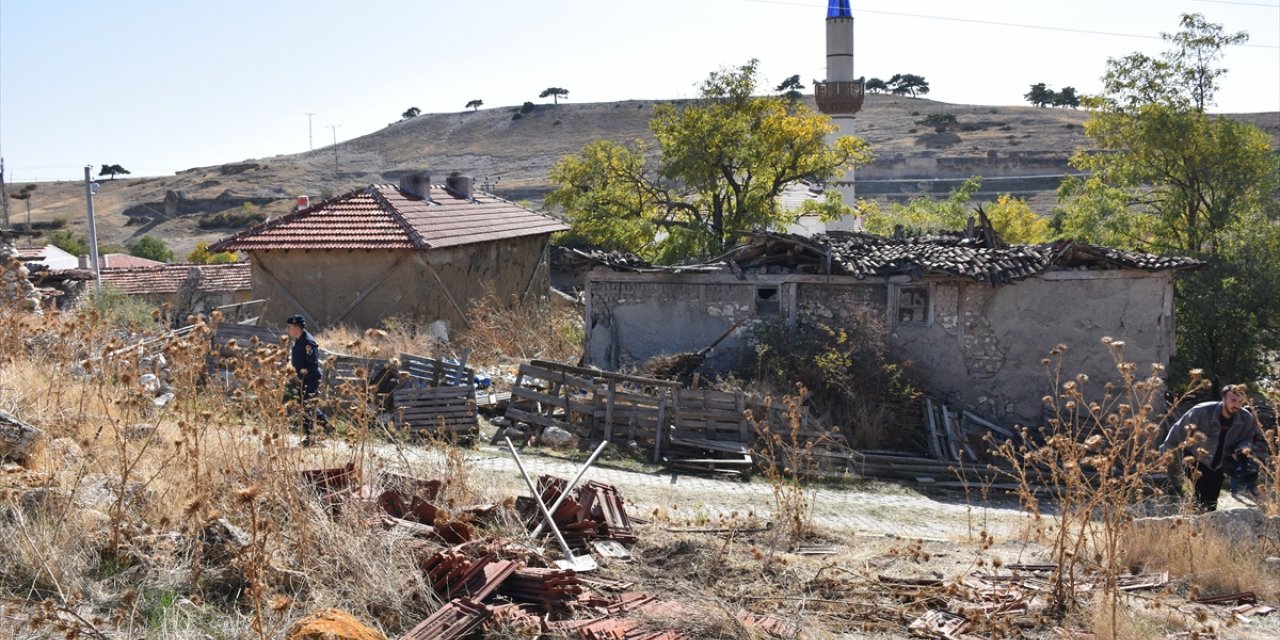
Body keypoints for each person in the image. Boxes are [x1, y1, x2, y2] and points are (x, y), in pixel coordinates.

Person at [1159, 384, 1260, 512]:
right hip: (1196, 458)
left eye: (1240, 401)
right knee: (1201, 494)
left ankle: (1205, 525)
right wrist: (1166, 456)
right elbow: (1177, 432)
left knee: (1212, 501)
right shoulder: (1201, 412)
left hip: (1221, 463)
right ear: (1223, 399)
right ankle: (1194, 522)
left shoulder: (1245, 418)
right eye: (1233, 400)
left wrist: (1241, 448)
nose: (1237, 405)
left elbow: (1247, 437)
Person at [286, 315, 325, 446]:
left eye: (290, 327)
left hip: (310, 379)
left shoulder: (308, 342)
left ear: (297, 328)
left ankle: (318, 433)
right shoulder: (299, 340)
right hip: (301, 379)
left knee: (308, 407)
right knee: (306, 407)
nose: (288, 329)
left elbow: (313, 365)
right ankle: (315, 434)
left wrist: (303, 377)